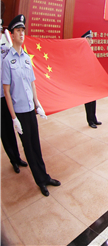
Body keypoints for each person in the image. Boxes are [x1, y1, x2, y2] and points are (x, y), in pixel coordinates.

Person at [2, 14, 60, 196]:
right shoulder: (7, 61)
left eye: (23, 30)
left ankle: (45, 176)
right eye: (18, 31)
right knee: (28, 148)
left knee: (36, 145)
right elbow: (6, 91)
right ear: (12, 34)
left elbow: (32, 83)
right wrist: (13, 118)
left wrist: (38, 104)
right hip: (19, 112)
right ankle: (40, 181)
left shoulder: (27, 58)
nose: (21, 33)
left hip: (30, 109)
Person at [1, 24, 28, 174]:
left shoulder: (5, 49)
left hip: (9, 95)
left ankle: (18, 157)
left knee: (15, 127)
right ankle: (13, 160)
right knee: (4, 131)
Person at [82, 30, 102, 128]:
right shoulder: (82, 51)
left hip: (92, 79)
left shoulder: (90, 50)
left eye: (91, 38)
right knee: (88, 101)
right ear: (85, 39)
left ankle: (94, 118)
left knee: (93, 100)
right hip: (85, 80)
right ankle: (90, 121)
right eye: (89, 38)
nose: (91, 40)